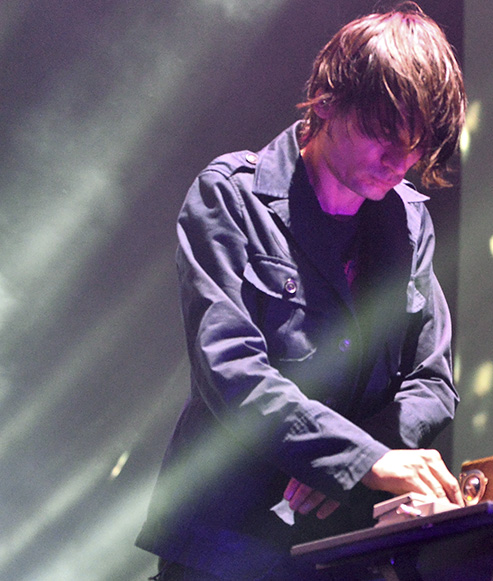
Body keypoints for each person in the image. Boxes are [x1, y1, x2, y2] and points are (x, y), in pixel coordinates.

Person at [136, 4, 467, 579]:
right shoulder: (230, 195)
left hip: (346, 549)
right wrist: (361, 460)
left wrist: (359, 458)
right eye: (383, 134)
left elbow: (432, 380)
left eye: (416, 145)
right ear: (326, 102)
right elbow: (231, 371)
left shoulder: (410, 223)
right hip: (224, 544)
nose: (400, 162)